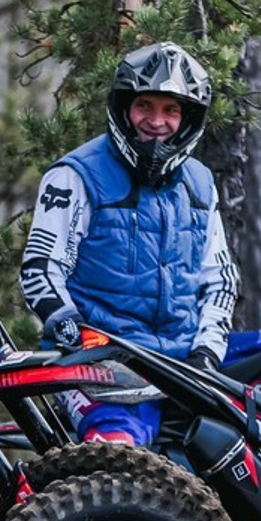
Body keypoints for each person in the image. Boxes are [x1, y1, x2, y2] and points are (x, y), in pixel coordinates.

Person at [19, 42, 239, 444]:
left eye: (171, 109)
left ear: (188, 117)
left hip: (184, 359)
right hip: (102, 362)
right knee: (117, 457)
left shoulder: (201, 183)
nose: (157, 122)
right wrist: (72, 335)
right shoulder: (76, 175)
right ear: (124, 108)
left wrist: (206, 353)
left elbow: (220, 281)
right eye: (145, 106)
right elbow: (40, 268)